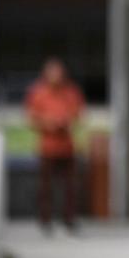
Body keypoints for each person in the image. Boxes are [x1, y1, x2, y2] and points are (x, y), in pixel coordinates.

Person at [24, 58, 85, 233]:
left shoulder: (71, 92)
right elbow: (31, 117)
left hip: (67, 146)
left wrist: (65, 122)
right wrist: (48, 123)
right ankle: (45, 219)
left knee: (70, 187)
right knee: (46, 187)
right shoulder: (38, 92)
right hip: (47, 147)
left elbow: (78, 114)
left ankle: (69, 219)